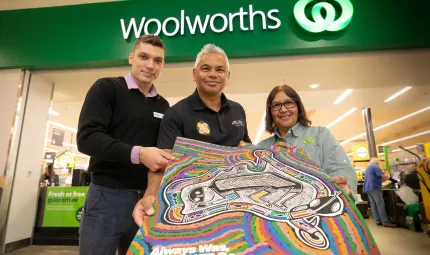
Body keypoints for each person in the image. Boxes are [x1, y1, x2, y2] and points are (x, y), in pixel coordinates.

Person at [132, 43, 252, 225]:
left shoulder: (238, 110)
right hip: (193, 205)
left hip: (235, 203)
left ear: (227, 77)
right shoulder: (176, 114)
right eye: (206, 68)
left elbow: (246, 148)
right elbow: (160, 164)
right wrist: (150, 194)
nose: (213, 74)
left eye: (220, 69)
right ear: (194, 74)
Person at [76, 35, 174, 255]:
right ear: (131, 58)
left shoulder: (164, 105)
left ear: (162, 66)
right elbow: (87, 138)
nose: (150, 65)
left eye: (157, 60)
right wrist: (138, 154)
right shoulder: (107, 88)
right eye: (143, 57)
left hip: (147, 199)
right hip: (107, 196)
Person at [258, 85, 358, 200]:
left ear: (298, 107)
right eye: (276, 105)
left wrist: (342, 187)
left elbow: (340, 168)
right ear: (270, 112)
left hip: (319, 211)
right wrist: (270, 159)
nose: (283, 109)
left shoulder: (321, 135)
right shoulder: (262, 147)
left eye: (289, 103)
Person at [363, 158, 396, 227]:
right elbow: (382, 176)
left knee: (373, 204)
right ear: (377, 162)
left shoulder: (368, 168)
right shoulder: (375, 166)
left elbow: (377, 178)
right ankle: (385, 221)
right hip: (374, 187)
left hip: (367, 188)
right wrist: (392, 180)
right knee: (380, 204)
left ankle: (378, 220)